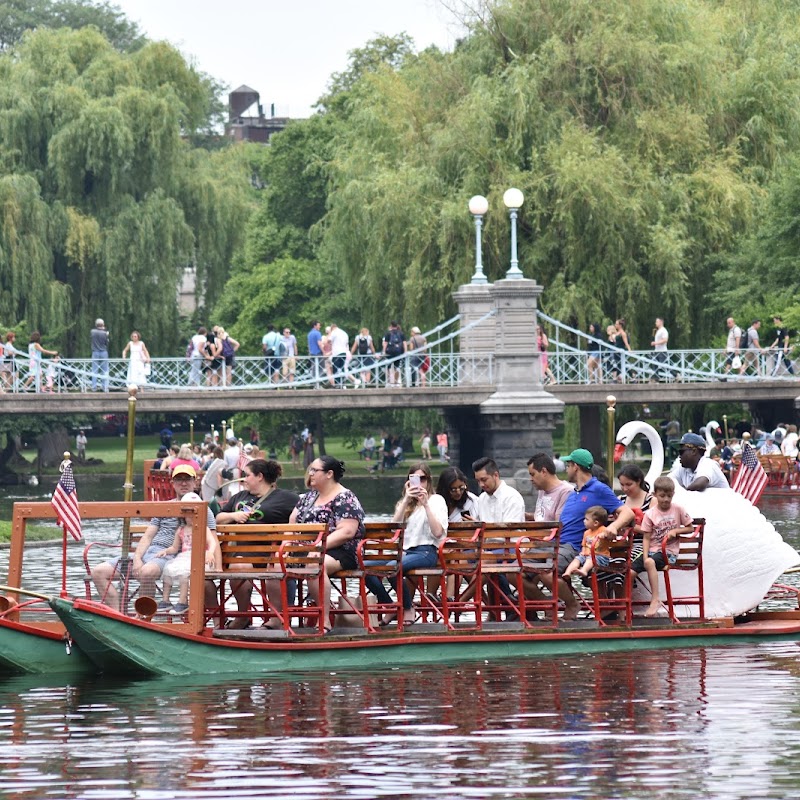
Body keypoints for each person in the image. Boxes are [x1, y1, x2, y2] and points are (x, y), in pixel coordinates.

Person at [90, 466, 215, 610]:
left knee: (146, 572)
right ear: (172, 483)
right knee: (98, 572)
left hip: (172, 557)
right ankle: (116, 615)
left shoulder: (204, 509)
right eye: (179, 480)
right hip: (149, 553)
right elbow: (148, 536)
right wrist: (137, 558)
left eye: (187, 479)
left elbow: (212, 540)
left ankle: (143, 616)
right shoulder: (163, 507)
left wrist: (215, 563)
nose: (183, 483)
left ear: (195, 482)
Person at [266, 456, 365, 633]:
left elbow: (347, 532)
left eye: (314, 470)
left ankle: (324, 620)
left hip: (340, 551)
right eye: (310, 469)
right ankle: (277, 618)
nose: (310, 473)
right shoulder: (308, 497)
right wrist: (287, 546)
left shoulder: (345, 498)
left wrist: (318, 547)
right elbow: (292, 523)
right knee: (274, 563)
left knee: (315, 563)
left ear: (329, 474)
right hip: (306, 549)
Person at [548, 449, 635, 620]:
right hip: (556, 543)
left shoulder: (598, 489)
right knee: (518, 569)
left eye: (568, 465)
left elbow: (628, 513)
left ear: (576, 467)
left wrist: (614, 527)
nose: (566, 468)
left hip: (575, 547)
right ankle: (534, 609)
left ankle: (569, 605)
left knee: (547, 569)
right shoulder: (574, 493)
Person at [215, 458, 301, 628]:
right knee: (238, 567)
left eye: (247, 475)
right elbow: (218, 518)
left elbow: (305, 514)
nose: (243, 479)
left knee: (274, 567)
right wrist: (234, 516)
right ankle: (242, 615)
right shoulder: (239, 496)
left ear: (259, 476)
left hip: (272, 553)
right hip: (240, 555)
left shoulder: (286, 498)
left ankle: (277, 618)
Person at [366, 462, 447, 626]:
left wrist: (425, 504)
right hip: (404, 552)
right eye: (415, 479)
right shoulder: (405, 504)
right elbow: (392, 529)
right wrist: (406, 500)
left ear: (429, 481)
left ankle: (408, 607)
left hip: (426, 551)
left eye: (423, 479)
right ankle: (391, 606)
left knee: (392, 567)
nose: (420, 484)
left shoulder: (436, 500)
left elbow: (438, 532)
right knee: (365, 568)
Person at [632, 476, 694, 617]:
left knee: (649, 562)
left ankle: (655, 599)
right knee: (630, 571)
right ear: (655, 495)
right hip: (653, 552)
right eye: (662, 496)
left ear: (673, 495)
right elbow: (646, 537)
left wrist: (676, 531)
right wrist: (646, 555)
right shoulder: (650, 514)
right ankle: (624, 609)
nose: (666, 499)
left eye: (669, 496)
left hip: (668, 552)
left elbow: (690, 528)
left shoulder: (677, 509)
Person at [155, 492, 222, 614]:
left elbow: (212, 543)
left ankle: (182, 601)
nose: (191, 517)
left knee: (187, 571)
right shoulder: (181, 530)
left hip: (202, 558)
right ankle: (165, 600)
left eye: (194, 514)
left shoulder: (204, 528)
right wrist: (166, 551)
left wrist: (210, 553)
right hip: (185, 557)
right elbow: (175, 548)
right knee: (168, 568)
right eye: (188, 514)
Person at [563, 506, 610, 579]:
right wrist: (583, 552)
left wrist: (604, 535)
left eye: (586, 519)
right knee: (577, 559)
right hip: (587, 555)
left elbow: (609, 534)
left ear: (595, 523)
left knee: (590, 559)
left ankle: (584, 570)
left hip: (601, 556)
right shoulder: (586, 533)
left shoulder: (603, 530)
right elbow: (584, 545)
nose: (584, 521)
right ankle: (568, 572)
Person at [526, 453, 572, 522]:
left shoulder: (566, 492)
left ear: (544, 471)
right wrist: (528, 516)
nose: (531, 479)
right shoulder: (542, 489)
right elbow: (544, 518)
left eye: (533, 474)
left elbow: (558, 525)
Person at [382, 321, 407, 387]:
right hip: (398, 352)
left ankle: (390, 382)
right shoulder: (401, 333)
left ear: (391, 326)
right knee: (397, 367)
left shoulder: (388, 333)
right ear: (397, 325)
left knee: (389, 367)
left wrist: (384, 351)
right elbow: (404, 343)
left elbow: (385, 343)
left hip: (389, 352)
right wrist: (405, 351)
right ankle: (396, 383)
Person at [90, 319, 110, 392]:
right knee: (104, 370)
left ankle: (94, 387)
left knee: (94, 370)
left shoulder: (92, 332)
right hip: (104, 352)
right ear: (103, 324)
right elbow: (106, 343)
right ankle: (104, 387)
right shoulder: (105, 333)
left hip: (95, 352)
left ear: (96, 325)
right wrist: (105, 333)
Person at [651, 317, 669, 381]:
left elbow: (665, 340)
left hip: (662, 351)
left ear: (661, 322)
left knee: (664, 366)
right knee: (655, 365)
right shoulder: (658, 330)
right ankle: (656, 378)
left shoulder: (664, 330)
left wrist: (655, 343)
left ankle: (676, 375)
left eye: (657, 322)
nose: (655, 323)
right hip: (657, 351)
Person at [307, 320, 323, 384]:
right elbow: (319, 343)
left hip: (312, 353)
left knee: (314, 368)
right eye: (319, 325)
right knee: (321, 368)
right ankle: (318, 383)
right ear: (315, 326)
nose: (320, 326)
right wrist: (324, 352)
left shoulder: (309, 334)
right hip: (318, 353)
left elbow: (309, 345)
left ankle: (314, 383)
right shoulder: (317, 333)